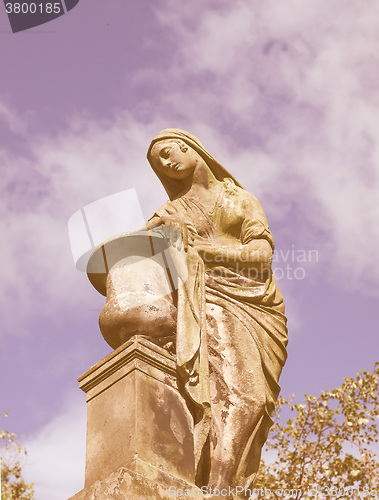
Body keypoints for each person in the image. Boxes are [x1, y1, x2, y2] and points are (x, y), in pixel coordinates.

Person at [145, 129, 288, 499]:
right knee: (241, 397)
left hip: (259, 304)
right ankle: (217, 489)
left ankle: (225, 487)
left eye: (168, 151)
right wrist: (167, 242)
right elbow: (141, 258)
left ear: (189, 147)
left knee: (252, 403)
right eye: (158, 161)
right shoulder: (170, 213)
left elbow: (261, 256)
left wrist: (205, 251)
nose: (166, 162)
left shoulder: (239, 199)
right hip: (207, 296)